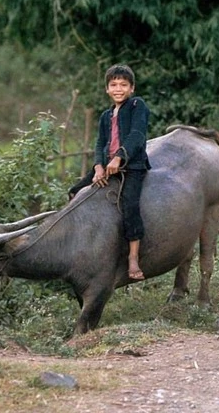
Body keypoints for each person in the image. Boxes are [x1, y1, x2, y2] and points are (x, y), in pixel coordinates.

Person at [68, 64, 151, 281]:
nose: (118, 89)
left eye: (123, 85)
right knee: (75, 190)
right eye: (113, 85)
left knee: (130, 204)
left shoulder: (136, 105)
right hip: (107, 166)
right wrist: (98, 166)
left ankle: (133, 256)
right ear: (107, 89)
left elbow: (137, 135)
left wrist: (120, 156)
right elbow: (100, 143)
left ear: (132, 88)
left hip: (131, 166)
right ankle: (82, 246)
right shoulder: (106, 115)